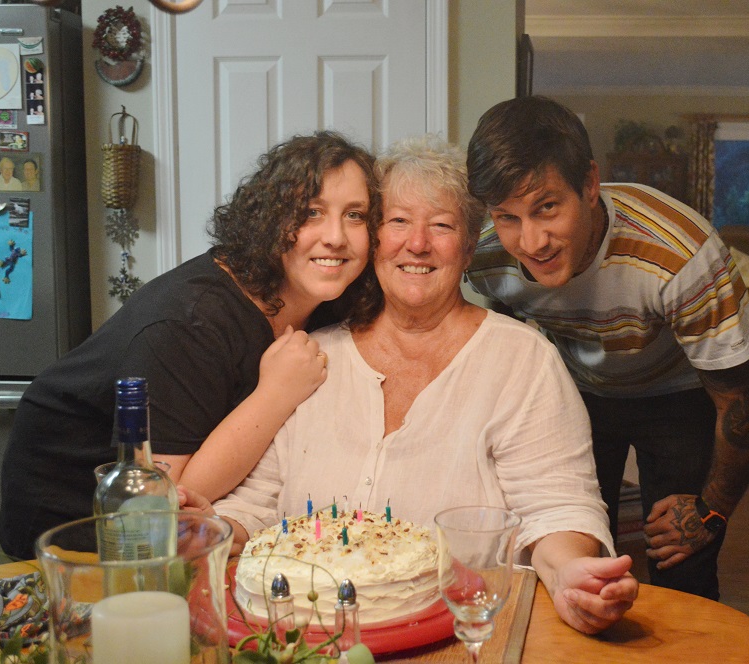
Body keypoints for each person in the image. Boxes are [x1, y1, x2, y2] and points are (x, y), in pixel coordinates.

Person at [183, 135, 638, 634]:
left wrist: (569, 571)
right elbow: (259, 501)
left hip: (462, 635)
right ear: (374, 240)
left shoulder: (522, 362)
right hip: (306, 639)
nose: (417, 244)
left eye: (441, 226)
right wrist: (213, 532)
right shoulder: (312, 357)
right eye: (398, 221)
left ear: (467, 249)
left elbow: (556, 505)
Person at [0, 131, 379, 559]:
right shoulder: (191, 321)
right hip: (71, 515)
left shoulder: (328, 300)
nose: (335, 237)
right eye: (311, 212)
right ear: (270, 220)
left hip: (185, 525)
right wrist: (276, 392)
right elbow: (169, 495)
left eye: (355, 215)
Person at [464, 96, 749, 600]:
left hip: (679, 394)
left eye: (547, 207)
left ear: (588, 185)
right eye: (508, 217)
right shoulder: (485, 255)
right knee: (573, 556)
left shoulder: (681, 255)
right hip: (573, 390)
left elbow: (746, 402)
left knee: (681, 565)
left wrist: (712, 511)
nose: (532, 240)